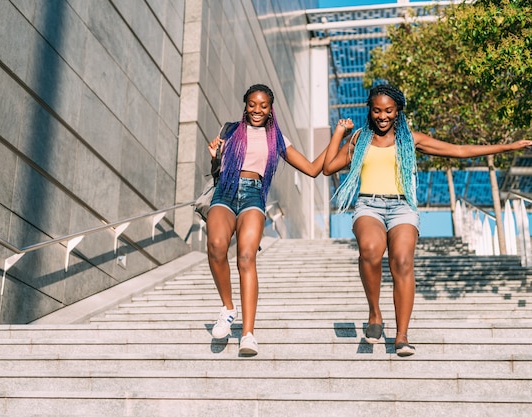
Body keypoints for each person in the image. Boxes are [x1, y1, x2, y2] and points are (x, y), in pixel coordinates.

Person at [322, 83, 532, 356]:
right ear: (369, 111)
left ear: (398, 111)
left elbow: (457, 150)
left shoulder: (411, 139)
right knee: (371, 251)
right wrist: (339, 133)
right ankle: (375, 314)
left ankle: (401, 335)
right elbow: (328, 168)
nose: (382, 116)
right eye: (377, 111)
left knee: (402, 260)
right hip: (368, 205)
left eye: (388, 111)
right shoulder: (359, 138)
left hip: (402, 207)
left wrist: (509, 147)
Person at [206, 83, 332, 356]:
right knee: (216, 246)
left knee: (246, 257)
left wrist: (338, 139)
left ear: (270, 109)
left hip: (253, 196)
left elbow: (311, 169)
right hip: (225, 192)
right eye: (252, 104)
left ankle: (248, 334)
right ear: (246, 104)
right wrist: (215, 155)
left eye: (263, 105)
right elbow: (216, 167)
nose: (257, 110)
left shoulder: (277, 139)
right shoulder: (229, 130)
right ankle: (228, 309)